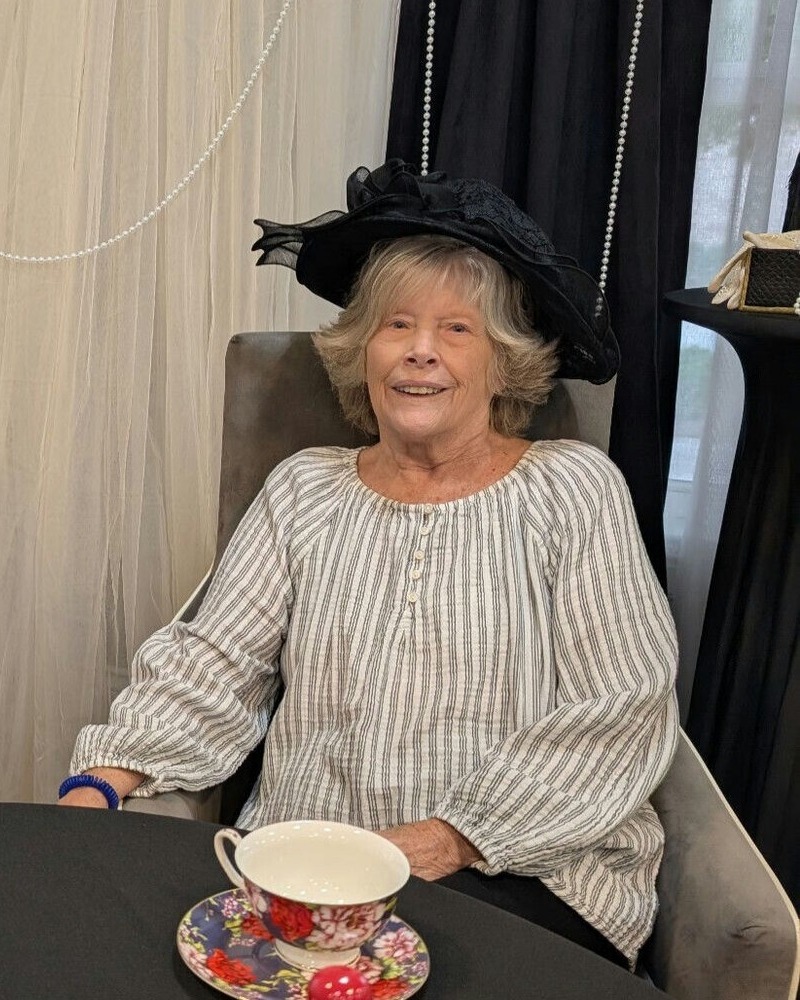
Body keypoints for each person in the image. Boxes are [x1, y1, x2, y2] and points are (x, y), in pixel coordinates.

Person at [61, 161, 678, 969]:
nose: (421, 351)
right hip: (311, 865)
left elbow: (622, 702)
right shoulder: (304, 489)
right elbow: (215, 663)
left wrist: (451, 837)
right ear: (362, 350)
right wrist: (103, 777)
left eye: (457, 331)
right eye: (397, 325)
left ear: (503, 362)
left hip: (526, 870)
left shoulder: (572, 489)